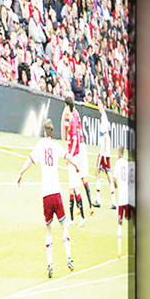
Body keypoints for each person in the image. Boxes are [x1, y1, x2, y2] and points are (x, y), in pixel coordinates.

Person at [15, 117, 71, 277]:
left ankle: (50, 264)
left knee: (48, 229)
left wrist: (20, 173)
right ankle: (68, 257)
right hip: (56, 192)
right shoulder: (56, 146)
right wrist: (75, 166)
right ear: (52, 131)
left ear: (44, 131)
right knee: (64, 225)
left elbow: (30, 160)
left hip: (46, 194)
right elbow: (68, 156)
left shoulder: (40, 145)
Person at [61, 96, 88, 225]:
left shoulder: (72, 120)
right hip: (73, 156)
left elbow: (75, 140)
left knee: (76, 187)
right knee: (71, 188)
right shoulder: (73, 119)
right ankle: (71, 219)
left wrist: (70, 156)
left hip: (74, 157)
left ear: (68, 106)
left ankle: (82, 217)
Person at [110, 145, 134, 257]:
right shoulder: (127, 163)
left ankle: (119, 250)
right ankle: (134, 246)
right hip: (129, 198)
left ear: (119, 152)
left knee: (120, 224)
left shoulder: (118, 163)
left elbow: (113, 178)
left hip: (121, 199)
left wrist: (115, 185)